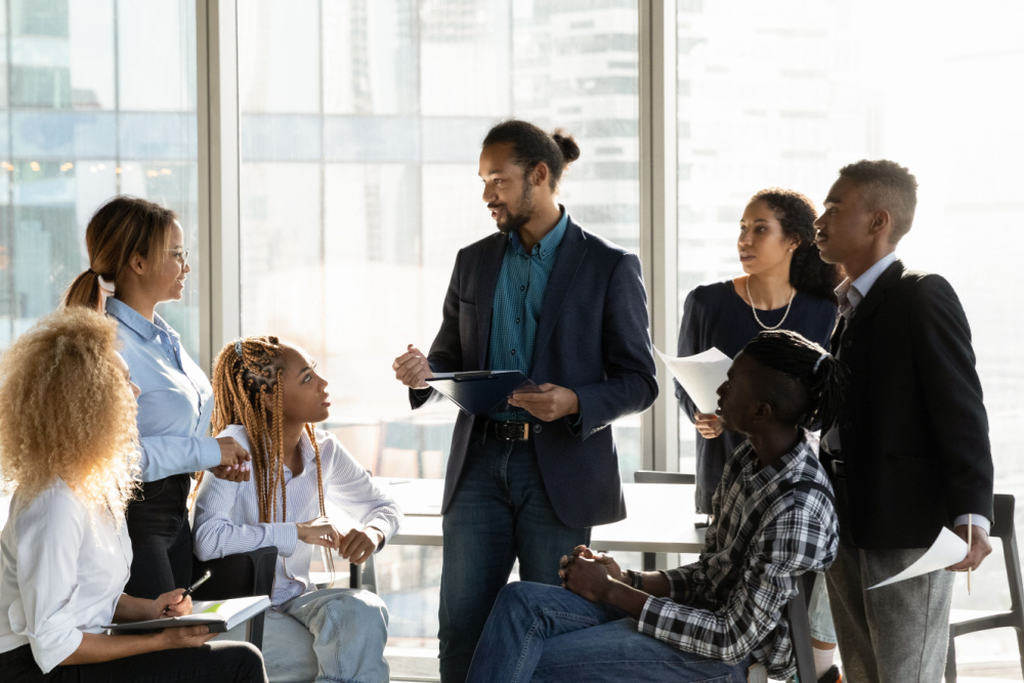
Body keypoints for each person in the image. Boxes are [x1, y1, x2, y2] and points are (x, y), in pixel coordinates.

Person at [391, 120, 658, 681]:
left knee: (551, 630)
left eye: (498, 180)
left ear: (540, 176)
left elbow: (640, 380)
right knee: (461, 626)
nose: (487, 194)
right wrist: (423, 373)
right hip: (479, 466)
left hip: (558, 471)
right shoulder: (473, 261)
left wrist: (574, 402)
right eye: (483, 180)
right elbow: (447, 357)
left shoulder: (609, 265)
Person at [465, 330, 843, 682]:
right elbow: (713, 574)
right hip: (701, 622)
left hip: (731, 659)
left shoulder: (798, 507)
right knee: (519, 602)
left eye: (732, 381)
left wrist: (612, 592)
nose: (721, 389)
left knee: (529, 658)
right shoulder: (749, 459)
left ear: (762, 411)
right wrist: (628, 580)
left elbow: (732, 639)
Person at [0, 308, 266, 682]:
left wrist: (152, 610)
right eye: (124, 381)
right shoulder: (53, 503)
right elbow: (54, 645)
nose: (137, 390)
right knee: (239, 663)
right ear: (86, 401)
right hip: (36, 668)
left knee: (229, 660)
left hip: (77, 652)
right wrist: (162, 641)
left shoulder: (95, 487)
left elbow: (88, 598)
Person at [814, 159, 994, 681]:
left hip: (909, 527)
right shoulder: (845, 306)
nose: (820, 220)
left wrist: (971, 515)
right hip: (848, 518)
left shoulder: (921, 294)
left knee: (905, 674)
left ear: (879, 221)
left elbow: (962, 409)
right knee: (864, 671)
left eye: (834, 206)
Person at [675, 188, 842, 681]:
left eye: (759, 229)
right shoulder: (706, 302)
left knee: (785, 617)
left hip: (792, 486)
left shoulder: (824, 309)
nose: (745, 239)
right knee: (721, 593)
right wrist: (700, 414)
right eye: (742, 229)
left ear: (793, 240)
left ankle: (813, 671)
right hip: (722, 474)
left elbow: (825, 402)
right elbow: (687, 383)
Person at [63, 196, 251, 599]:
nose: (186, 265)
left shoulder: (165, 340)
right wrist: (208, 452)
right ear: (138, 262)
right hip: (134, 521)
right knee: (166, 648)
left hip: (175, 516)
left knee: (182, 641)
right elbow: (118, 461)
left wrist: (211, 460)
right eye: (177, 254)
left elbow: (179, 436)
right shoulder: (109, 346)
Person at [193, 336, 402, 683]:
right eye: (306, 378)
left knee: (364, 611)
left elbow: (384, 504)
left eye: (314, 373)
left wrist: (373, 532)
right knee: (348, 653)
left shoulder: (323, 451)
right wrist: (297, 532)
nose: (323, 384)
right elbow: (206, 539)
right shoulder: (235, 447)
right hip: (237, 610)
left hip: (296, 604)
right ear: (270, 398)